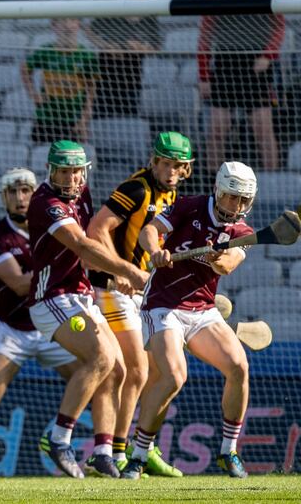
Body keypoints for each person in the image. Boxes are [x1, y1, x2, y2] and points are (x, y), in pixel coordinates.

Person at [121, 161, 257, 479]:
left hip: (203, 311)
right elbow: (149, 231)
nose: (236, 206)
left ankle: (228, 451)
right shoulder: (189, 206)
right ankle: (139, 455)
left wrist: (217, 257)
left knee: (238, 367)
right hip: (162, 305)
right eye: (231, 197)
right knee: (174, 377)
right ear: (218, 191)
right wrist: (156, 251)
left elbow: (228, 265)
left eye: (243, 200)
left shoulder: (242, 232)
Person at [28, 140, 148, 478]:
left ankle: (102, 452)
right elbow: (80, 244)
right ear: (50, 171)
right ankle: (59, 439)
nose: (70, 178)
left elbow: (87, 253)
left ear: (85, 171)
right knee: (100, 358)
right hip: (51, 298)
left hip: (80, 295)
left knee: (118, 370)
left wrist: (111, 277)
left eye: (75, 171)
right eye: (63, 171)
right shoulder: (46, 203)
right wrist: (129, 271)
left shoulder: (82, 194)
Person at [0, 168, 79, 477]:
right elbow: (21, 285)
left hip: (54, 326)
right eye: (13, 192)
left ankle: (109, 451)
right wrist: (61, 261)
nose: (20, 198)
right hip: (16, 330)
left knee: (99, 376)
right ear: (3, 197)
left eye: (26, 191)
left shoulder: (60, 224)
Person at [86, 132, 192, 476]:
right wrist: (117, 270)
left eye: (179, 166)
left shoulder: (172, 194)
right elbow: (96, 228)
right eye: (167, 164)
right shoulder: (137, 189)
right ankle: (117, 452)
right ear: (154, 161)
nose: (172, 171)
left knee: (155, 373)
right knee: (137, 370)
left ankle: (137, 447)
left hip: (140, 294)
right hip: (111, 290)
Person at [198, 0, 285, 172]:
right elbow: (204, 38)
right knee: (216, 132)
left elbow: (279, 28)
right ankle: (215, 190)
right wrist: (203, 76)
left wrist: (267, 56)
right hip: (225, 70)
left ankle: (272, 184)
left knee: (263, 130)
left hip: (257, 71)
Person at [87, 0, 162, 118]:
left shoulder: (150, 15)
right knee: (100, 122)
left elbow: (156, 46)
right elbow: (89, 31)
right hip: (103, 82)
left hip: (131, 83)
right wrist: (106, 45)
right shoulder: (112, 9)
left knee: (128, 122)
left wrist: (142, 48)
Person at [21, 18, 99, 144]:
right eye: (63, 22)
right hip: (46, 117)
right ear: (54, 26)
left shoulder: (87, 55)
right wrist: (33, 94)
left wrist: (84, 119)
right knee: (41, 156)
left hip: (73, 118)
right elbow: (25, 69)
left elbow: (91, 88)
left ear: (78, 25)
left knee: (71, 159)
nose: (68, 26)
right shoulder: (45, 52)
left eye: (72, 21)